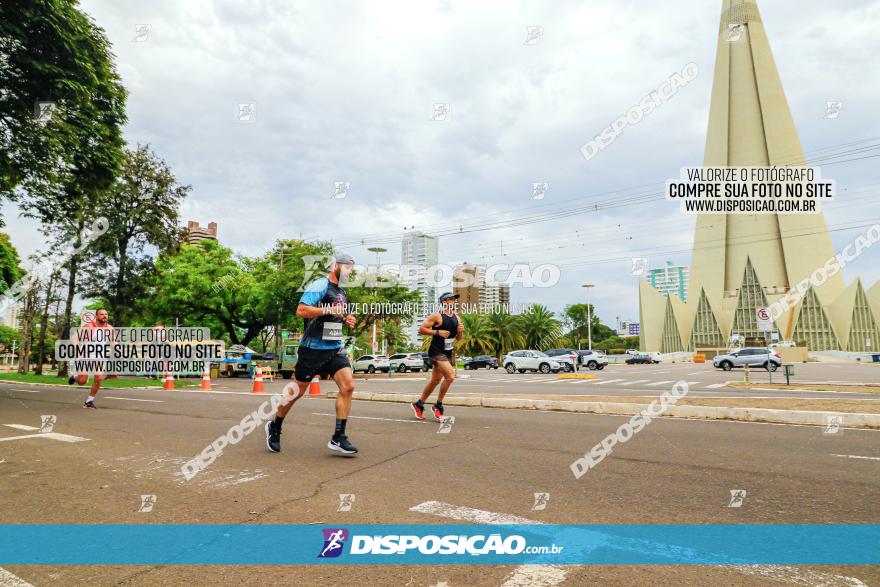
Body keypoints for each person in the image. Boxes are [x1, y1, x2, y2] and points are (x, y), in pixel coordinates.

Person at [266, 253, 359, 455]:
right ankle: (275, 426)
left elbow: (335, 313)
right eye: (348, 268)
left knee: (348, 386)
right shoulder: (319, 285)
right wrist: (327, 310)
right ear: (335, 266)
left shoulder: (341, 292)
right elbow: (301, 310)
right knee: (297, 392)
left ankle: (338, 437)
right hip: (312, 350)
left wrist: (346, 320)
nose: (350, 272)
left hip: (334, 348)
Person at [411, 292, 463, 421]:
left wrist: (460, 332)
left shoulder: (457, 317)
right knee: (450, 376)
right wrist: (437, 332)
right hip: (436, 351)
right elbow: (422, 330)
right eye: (451, 299)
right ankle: (438, 406)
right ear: (444, 302)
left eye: (454, 300)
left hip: (447, 351)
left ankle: (418, 404)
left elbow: (458, 338)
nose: (454, 302)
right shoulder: (437, 316)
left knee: (435, 380)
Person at [67, 308, 113, 409]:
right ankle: (75, 376)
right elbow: (74, 338)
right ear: (96, 316)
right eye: (102, 314)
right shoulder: (89, 327)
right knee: (82, 381)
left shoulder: (110, 328)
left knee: (99, 378)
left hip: (100, 357)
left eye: (106, 314)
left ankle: (89, 401)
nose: (105, 316)